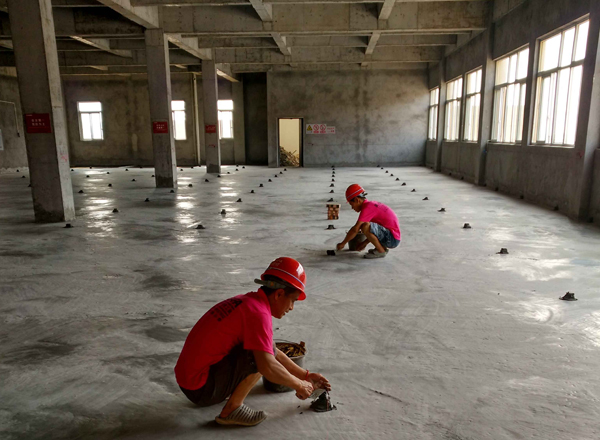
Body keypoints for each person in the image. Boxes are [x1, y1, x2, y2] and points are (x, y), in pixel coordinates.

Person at [174, 257, 331, 427]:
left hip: (190, 380)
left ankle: (226, 392)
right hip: (200, 388)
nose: (292, 307)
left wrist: (305, 376)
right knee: (258, 356)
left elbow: (272, 350)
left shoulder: (249, 302)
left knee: (263, 347)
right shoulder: (258, 314)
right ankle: (232, 410)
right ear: (279, 294)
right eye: (293, 300)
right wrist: (299, 385)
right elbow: (267, 366)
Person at [336, 184, 401, 259]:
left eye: (351, 204)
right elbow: (374, 232)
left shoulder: (367, 208)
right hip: (391, 237)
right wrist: (364, 243)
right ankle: (381, 248)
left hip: (392, 239)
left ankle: (381, 251)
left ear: (357, 200)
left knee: (365, 226)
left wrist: (343, 243)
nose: (352, 207)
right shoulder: (370, 205)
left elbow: (355, 229)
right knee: (366, 225)